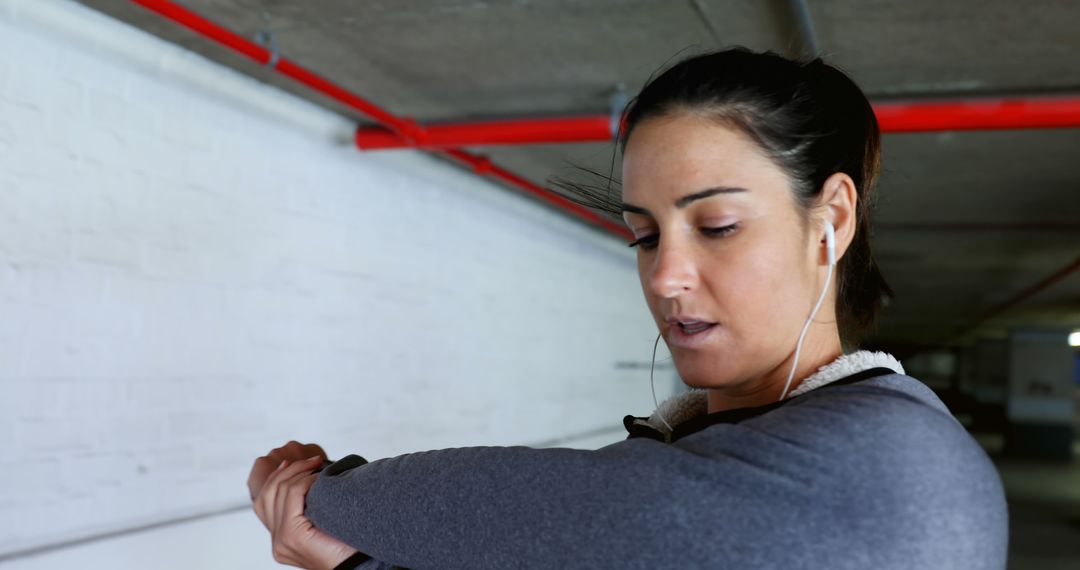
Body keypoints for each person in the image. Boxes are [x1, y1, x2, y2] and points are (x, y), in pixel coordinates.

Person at [246, 47, 1008, 569]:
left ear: (831, 220)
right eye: (644, 236)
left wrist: (320, 496)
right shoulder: (717, 456)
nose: (667, 275)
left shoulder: (903, 464)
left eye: (717, 227)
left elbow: (529, 513)